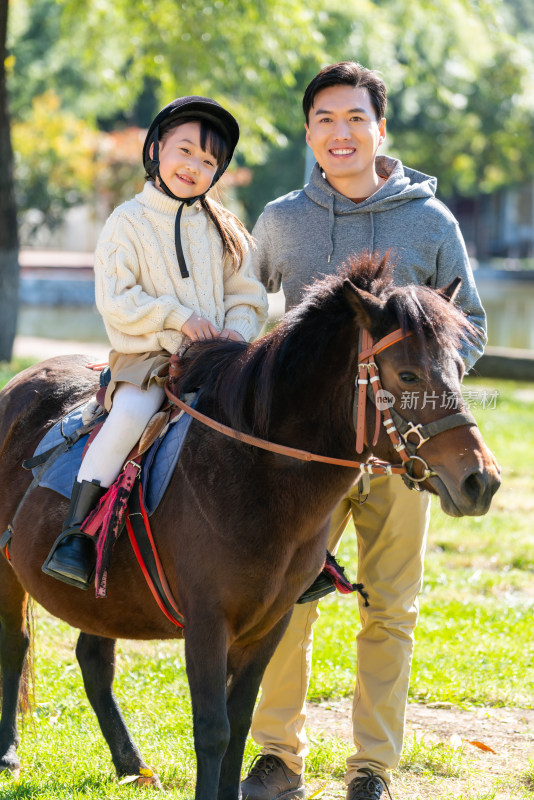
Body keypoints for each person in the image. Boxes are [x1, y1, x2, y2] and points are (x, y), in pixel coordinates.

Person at [240, 62, 486, 800]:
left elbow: (467, 324)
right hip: (304, 459)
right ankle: (278, 755)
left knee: (391, 604)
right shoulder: (281, 220)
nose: (339, 133)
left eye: (355, 119)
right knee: (287, 598)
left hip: (399, 454)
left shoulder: (430, 221)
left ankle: (372, 767)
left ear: (380, 128)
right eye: (324, 119)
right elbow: (247, 320)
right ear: (308, 131)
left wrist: (424, 395)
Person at [42, 95, 267, 590]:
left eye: (209, 161)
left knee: (267, 415)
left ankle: (292, 548)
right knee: (130, 415)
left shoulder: (225, 227)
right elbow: (117, 299)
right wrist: (177, 318)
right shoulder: (128, 221)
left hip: (217, 361)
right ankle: (76, 534)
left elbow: (248, 294)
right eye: (185, 150)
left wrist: (237, 331)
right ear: (157, 148)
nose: (194, 165)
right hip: (147, 359)